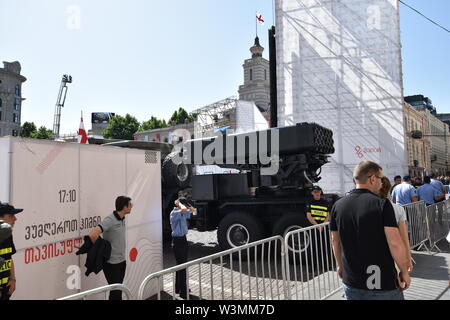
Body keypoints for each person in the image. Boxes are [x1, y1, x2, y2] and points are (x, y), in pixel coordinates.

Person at [330, 161, 411, 300]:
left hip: (352, 281)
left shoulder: (338, 205)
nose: (381, 183)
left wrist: (339, 266)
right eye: (380, 178)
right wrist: (404, 271)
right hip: (380, 283)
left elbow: (335, 241)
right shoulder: (382, 204)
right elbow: (395, 243)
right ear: (372, 178)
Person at [88, 196, 132, 300]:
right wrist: (102, 250)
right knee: (115, 293)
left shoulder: (122, 218)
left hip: (121, 261)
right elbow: (93, 234)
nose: (132, 206)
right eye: (130, 205)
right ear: (124, 207)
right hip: (111, 264)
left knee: (118, 292)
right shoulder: (110, 219)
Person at [379, 177, 413, 273]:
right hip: (394, 254)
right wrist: (408, 258)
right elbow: (404, 237)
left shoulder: (368, 207)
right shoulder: (398, 209)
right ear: (389, 189)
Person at [170, 197, 196, 299]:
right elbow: (184, 210)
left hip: (183, 240)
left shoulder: (181, 211)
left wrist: (188, 205)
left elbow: (193, 211)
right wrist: (179, 204)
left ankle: (178, 287)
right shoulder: (174, 213)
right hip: (177, 241)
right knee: (182, 266)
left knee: (180, 265)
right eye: (183, 204)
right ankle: (183, 291)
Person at [0, 203, 23, 300]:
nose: (15, 219)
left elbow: (9, 257)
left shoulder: (7, 234)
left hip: (6, 288)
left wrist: (13, 279)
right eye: (11, 216)